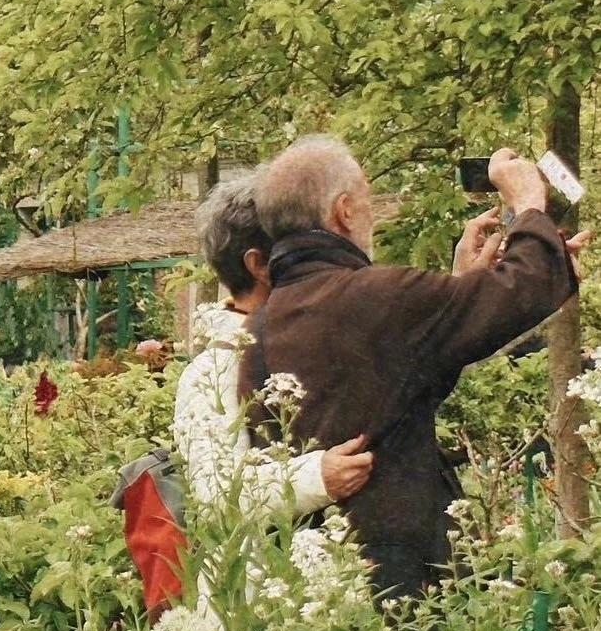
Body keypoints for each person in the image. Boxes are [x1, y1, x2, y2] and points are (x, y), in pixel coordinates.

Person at [238, 138, 580, 601]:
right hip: (401, 576)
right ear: (343, 211)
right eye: (366, 199)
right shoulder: (374, 296)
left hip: (314, 579)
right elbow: (516, 292)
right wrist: (528, 205)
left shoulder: (264, 323)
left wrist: (463, 289)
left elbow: (398, 381)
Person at [173, 173, 373, 522]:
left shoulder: (323, 336)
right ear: (259, 266)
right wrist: (316, 478)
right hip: (263, 572)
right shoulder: (213, 371)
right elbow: (214, 493)